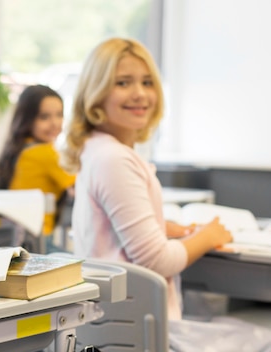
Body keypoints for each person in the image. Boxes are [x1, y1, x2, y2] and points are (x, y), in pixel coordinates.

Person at [63, 37, 271, 351]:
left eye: (147, 82)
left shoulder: (98, 150)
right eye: (123, 82)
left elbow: (112, 231)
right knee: (259, 337)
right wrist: (208, 235)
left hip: (116, 323)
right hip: (138, 329)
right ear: (96, 92)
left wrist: (163, 229)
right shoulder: (115, 159)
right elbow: (156, 261)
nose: (140, 93)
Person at [0, 84, 75, 250]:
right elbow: (78, 187)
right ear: (27, 119)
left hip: (16, 237)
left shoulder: (20, 148)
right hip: (38, 240)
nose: (55, 123)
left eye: (59, 115)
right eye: (44, 117)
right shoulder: (44, 153)